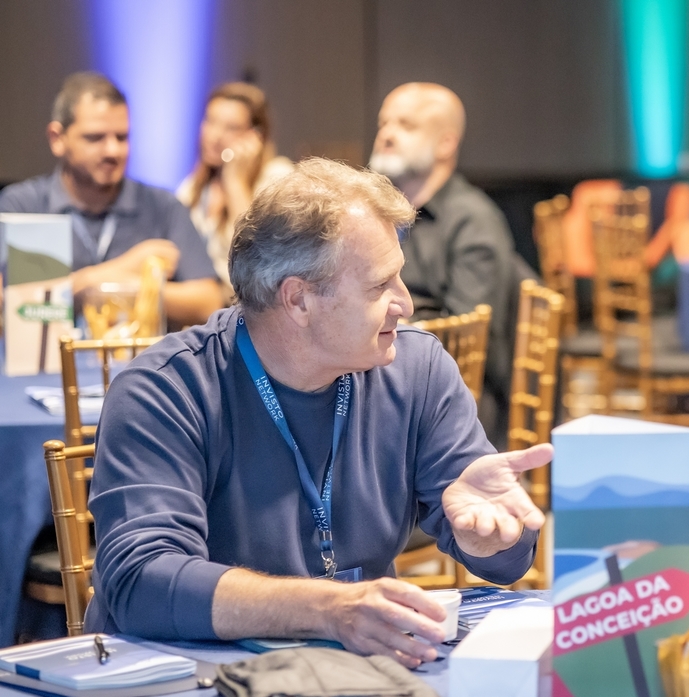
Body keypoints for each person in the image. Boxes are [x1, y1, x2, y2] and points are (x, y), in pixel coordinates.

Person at [84, 158, 551, 667]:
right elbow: (141, 584)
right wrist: (327, 609)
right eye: (380, 286)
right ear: (299, 300)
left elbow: (508, 559)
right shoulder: (166, 390)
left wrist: (491, 538)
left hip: (349, 672)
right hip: (184, 679)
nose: (406, 304)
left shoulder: (416, 369)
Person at [369, 82, 534, 446]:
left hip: (457, 396)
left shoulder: (473, 220)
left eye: (406, 125)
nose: (387, 135)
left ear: (446, 144)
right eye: (384, 123)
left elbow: (467, 339)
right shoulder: (382, 214)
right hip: (384, 369)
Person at [0, 72, 223, 328]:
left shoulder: (162, 206)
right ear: (57, 139)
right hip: (50, 355)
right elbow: (15, 304)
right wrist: (125, 267)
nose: (112, 151)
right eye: (95, 138)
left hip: (141, 355)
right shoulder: (21, 206)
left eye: (122, 137)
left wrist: (125, 285)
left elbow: (208, 303)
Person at [177, 82, 293, 295]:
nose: (215, 135)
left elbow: (256, 257)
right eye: (210, 121)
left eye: (231, 128)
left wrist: (235, 181)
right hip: (202, 301)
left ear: (256, 136)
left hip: (250, 302)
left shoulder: (277, 178)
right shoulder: (192, 187)